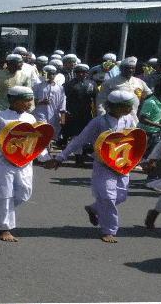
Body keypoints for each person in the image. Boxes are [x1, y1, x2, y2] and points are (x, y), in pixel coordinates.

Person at [45, 90, 138, 243]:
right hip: (103, 165)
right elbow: (79, 140)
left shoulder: (128, 120)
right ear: (116, 107)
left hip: (122, 165)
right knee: (108, 197)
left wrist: (141, 161)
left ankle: (94, 208)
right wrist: (61, 157)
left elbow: (132, 143)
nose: (131, 109)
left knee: (121, 196)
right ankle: (109, 230)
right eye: (128, 106)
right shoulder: (98, 122)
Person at [0, 86, 50, 242]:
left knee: (24, 192)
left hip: (23, 160)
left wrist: (45, 158)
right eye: (26, 100)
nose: (30, 103)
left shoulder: (31, 118)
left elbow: (35, 141)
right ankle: (4, 228)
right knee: (4, 194)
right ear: (14, 100)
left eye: (30, 99)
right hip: (0, 160)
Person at [60, 64, 98, 163]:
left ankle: (82, 155)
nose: (80, 74)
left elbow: (97, 99)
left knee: (85, 135)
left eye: (82, 72)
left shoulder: (92, 84)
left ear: (87, 73)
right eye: (77, 72)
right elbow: (62, 100)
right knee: (73, 135)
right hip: (72, 114)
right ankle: (73, 156)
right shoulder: (68, 85)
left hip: (86, 115)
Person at [96, 57, 152, 124]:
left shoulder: (139, 82)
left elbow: (151, 98)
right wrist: (103, 119)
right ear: (121, 68)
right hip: (113, 121)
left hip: (133, 122)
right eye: (127, 68)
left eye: (132, 68)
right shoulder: (109, 83)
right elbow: (100, 102)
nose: (130, 70)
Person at [32, 65, 66, 143]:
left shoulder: (60, 88)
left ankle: (48, 151)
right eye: (48, 74)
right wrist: (41, 102)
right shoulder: (37, 86)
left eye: (52, 74)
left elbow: (62, 102)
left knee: (52, 133)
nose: (50, 76)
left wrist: (63, 116)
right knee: (41, 130)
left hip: (54, 114)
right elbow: (32, 101)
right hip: (40, 113)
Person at [137, 78, 161, 157]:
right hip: (146, 134)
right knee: (143, 156)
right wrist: (160, 126)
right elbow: (143, 119)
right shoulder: (151, 102)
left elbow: (157, 115)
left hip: (155, 133)